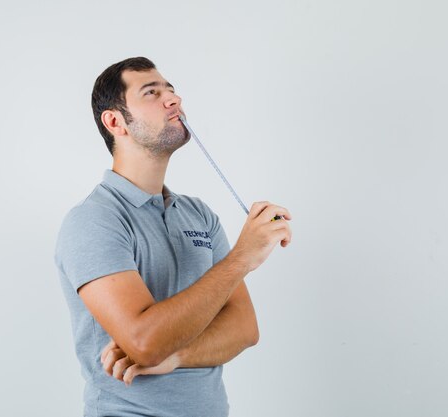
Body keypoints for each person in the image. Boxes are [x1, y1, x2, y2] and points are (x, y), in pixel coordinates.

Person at [54, 56, 292, 417]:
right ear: (115, 121)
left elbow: (244, 328)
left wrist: (177, 355)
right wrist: (242, 258)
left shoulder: (199, 215)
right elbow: (144, 342)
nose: (173, 100)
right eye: (151, 93)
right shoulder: (94, 220)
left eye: (172, 91)